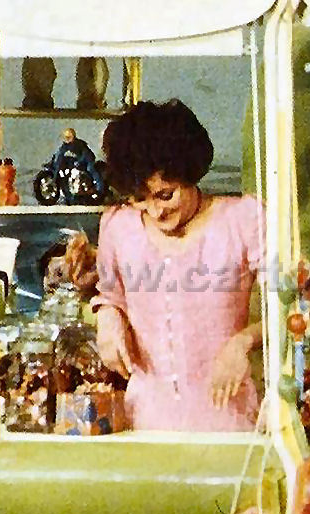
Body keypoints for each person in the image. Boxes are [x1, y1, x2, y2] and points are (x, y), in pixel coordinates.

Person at [92, 100, 264, 432]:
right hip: (143, 425)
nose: (155, 211)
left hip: (228, 425)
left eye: (165, 195)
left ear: (189, 173)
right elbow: (110, 295)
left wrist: (243, 342)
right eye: (140, 200)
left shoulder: (242, 220)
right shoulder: (118, 226)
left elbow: (297, 307)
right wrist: (107, 316)